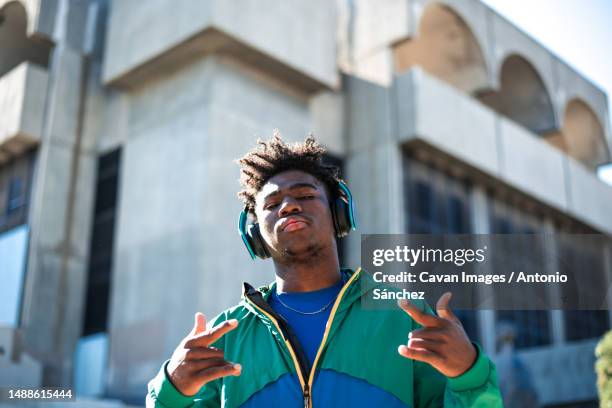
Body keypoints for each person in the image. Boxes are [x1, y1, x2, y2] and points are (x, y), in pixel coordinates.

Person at [147, 133, 503, 407]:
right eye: (272, 204)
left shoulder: (404, 316)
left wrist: (469, 375)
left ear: (338, 215)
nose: (288, 206)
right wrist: (171, 390)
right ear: (254, 232)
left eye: (304, 195)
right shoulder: (226, 337)